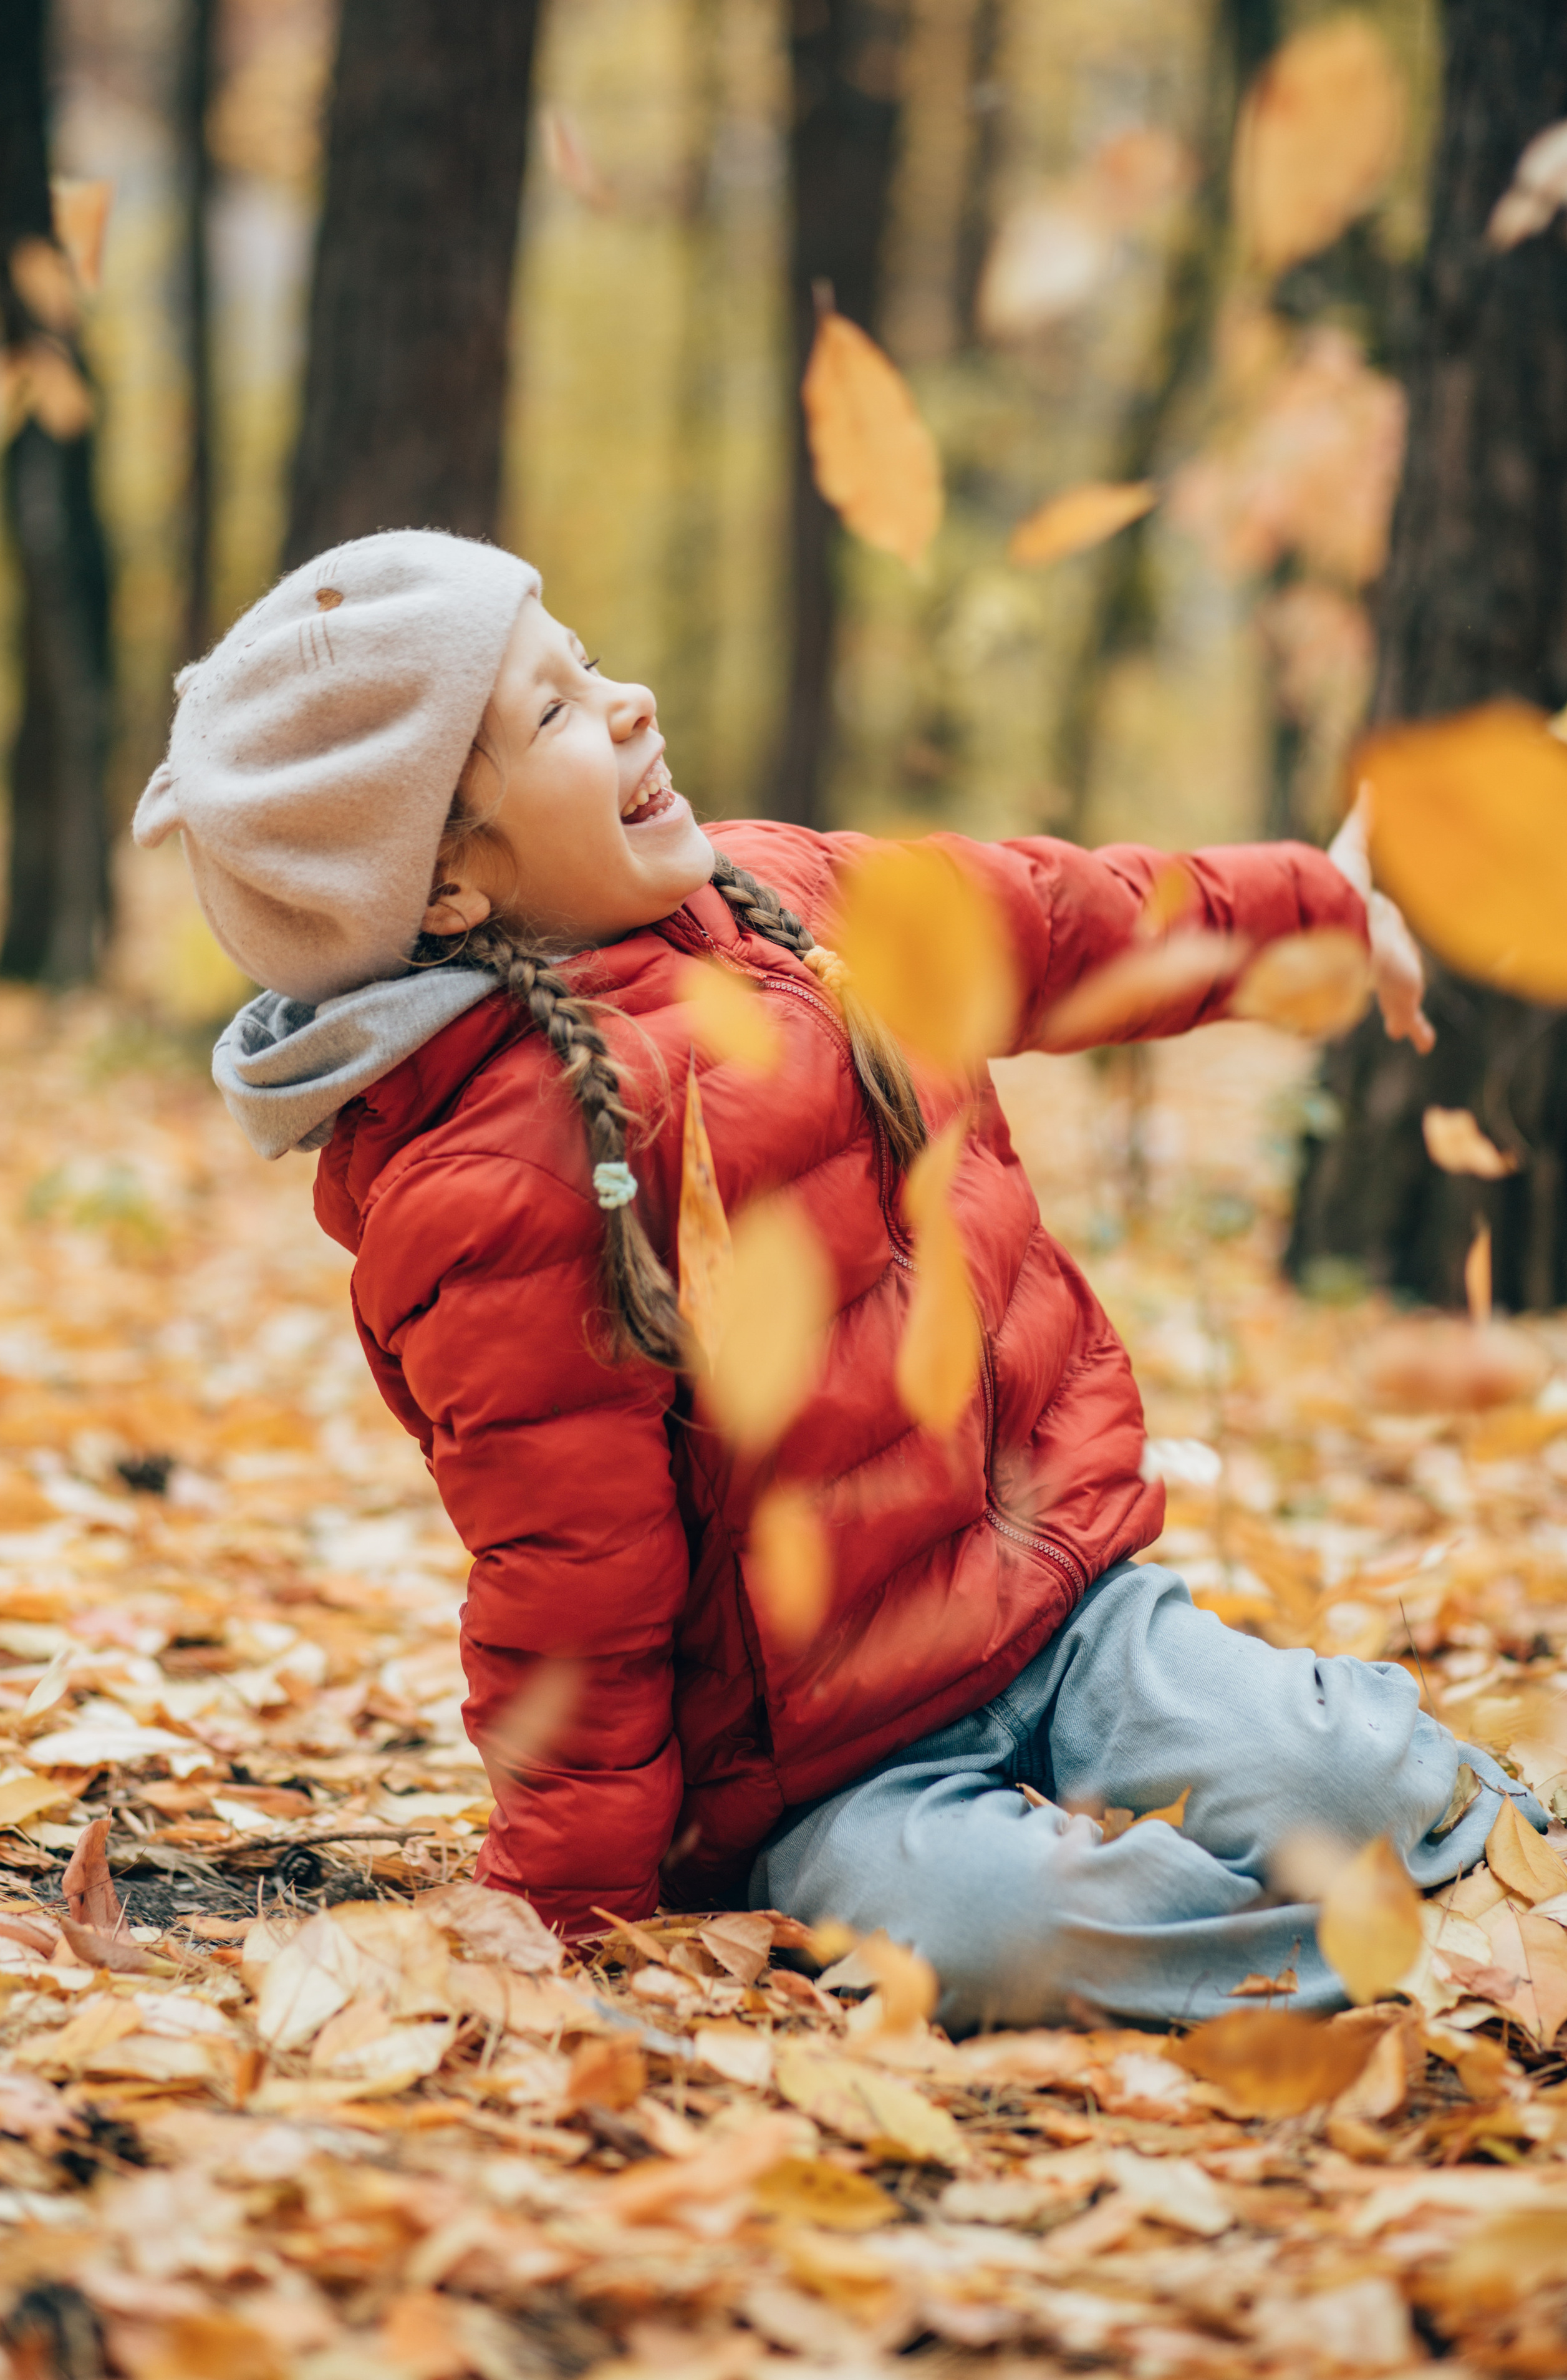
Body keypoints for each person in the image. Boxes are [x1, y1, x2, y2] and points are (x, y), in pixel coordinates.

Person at [135, 530, 1538, 2031]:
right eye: (551, 714)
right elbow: (569, 1583)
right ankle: (1355, 1981)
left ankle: (1498, 1872)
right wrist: (566, 1911)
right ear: (448, 887)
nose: (626, 701)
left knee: (1338, 1770)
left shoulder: (785, 898)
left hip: (1068, 1616)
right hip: (823, 1773)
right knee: (1006, 1929)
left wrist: (1313, 911)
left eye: (589, 661)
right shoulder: (495, 1185)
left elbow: (1065, 921)